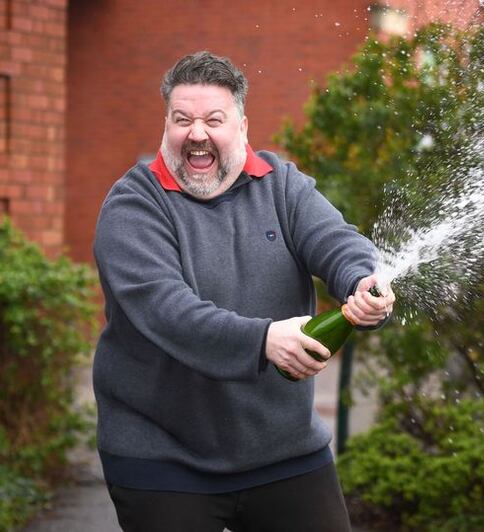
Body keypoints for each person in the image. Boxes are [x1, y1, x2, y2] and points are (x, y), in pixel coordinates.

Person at [92, 50, 396, 532]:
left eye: (214, 119)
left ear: (243, 126)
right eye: (182, 119)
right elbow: (166, 310)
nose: (196, 133)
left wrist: (362, 280)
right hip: (162, 456)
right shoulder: (133, 205)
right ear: (166, 125)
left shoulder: (283, 186)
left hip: (283, 448)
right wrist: (264, 341)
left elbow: (336, 242)